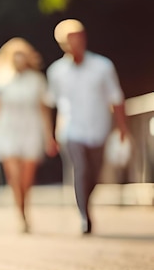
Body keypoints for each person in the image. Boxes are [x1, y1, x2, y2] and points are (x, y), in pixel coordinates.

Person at [45, 19, 129, 234]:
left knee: (94, 173)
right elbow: (50, 104)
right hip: (71, 130)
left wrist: (122, 128)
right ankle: (84, 215)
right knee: (81, 169)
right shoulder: (56, 72)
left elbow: (116, 98)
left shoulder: (102, 66)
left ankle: (85, 203)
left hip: (98, 128)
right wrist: (50, 134)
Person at [0, 38, 57, 232]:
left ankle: (25, 207)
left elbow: (43, 110)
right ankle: (20, 213)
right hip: (7, 129)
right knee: (14, 175)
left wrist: (49, 136)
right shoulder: (1, 80)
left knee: (27, 178)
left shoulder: (37, 80)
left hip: (31, 128)